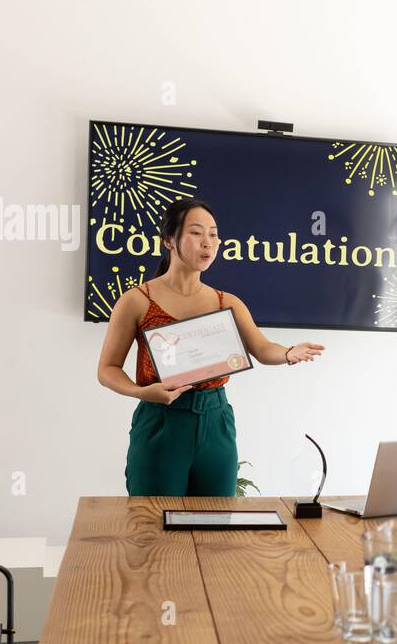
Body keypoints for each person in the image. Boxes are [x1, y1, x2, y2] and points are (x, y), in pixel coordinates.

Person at [96, 198, 325, 496]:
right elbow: (107, 369)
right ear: (169, 240)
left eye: (214, 234)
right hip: (160, 421)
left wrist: (288, 353)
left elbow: (261, 347)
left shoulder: (226, 302)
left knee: (216, 526)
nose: (208, 242)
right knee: (152, 525)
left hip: (217, 423)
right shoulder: (137, 300)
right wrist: (142, 393)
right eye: (196, 233)